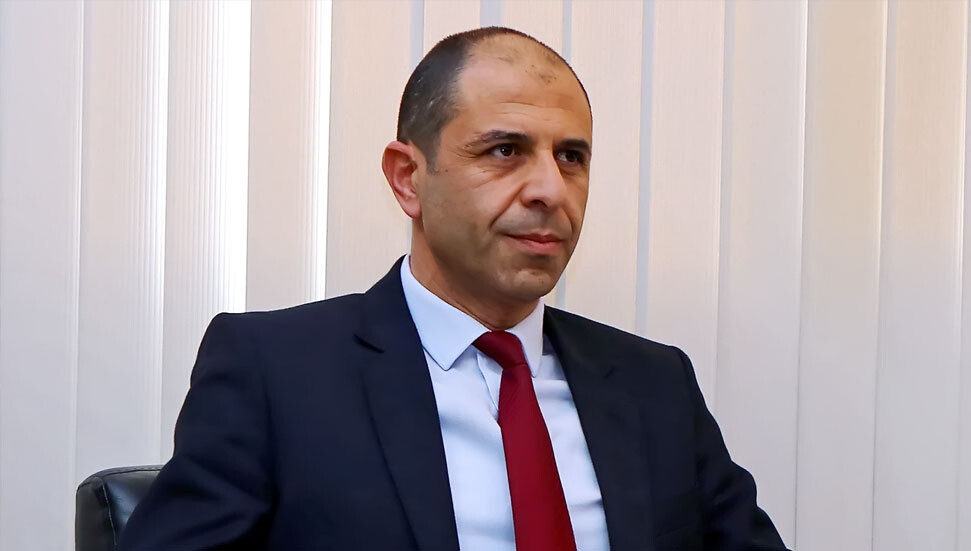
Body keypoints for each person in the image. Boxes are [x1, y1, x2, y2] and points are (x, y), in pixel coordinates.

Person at [120, 26, 789, 551]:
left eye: (571, 157)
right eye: (504, 150)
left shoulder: (654, 384)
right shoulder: (276, 371)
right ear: (408, 178)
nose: (549, 189)